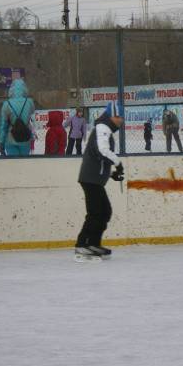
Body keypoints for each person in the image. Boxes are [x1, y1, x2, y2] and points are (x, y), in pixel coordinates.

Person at [74, 101, 124, 262]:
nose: (121, 120)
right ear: (111, 116)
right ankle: (82, 244)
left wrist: (111, 174)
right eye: (119, 116)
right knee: (96, 212)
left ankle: (93, 243)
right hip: (91, 179)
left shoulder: (104, 129)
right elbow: (102, 151)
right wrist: (118, 163)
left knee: (104, 211)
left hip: (94, 178)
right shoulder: (103, 127)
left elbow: (99, 158)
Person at [0, 78, 35, 157]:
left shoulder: (7, 104)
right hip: (25, 137)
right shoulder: (29, 102)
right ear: (24, 88)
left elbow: (3, 126)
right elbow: (31, 117)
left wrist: (1, 142)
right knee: (24, 162)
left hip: (10, 138)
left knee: (13, 162)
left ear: (11, 89)